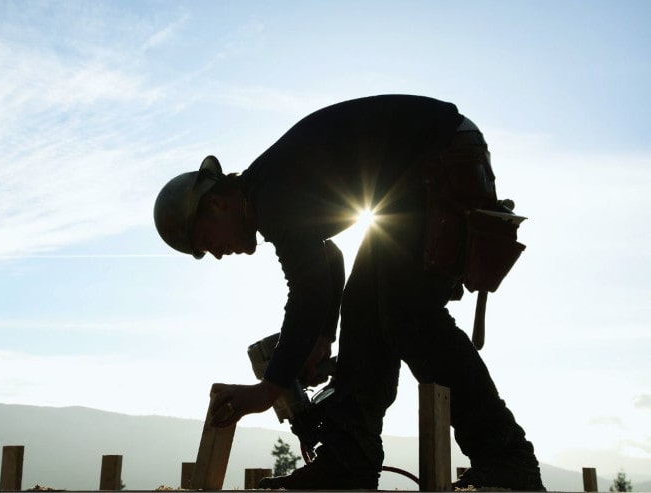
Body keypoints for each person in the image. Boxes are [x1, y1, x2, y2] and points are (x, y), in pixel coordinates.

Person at [153, 95, 545, 491]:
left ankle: (506, 458)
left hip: (439, 154)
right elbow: (329, 256)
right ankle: (348, 461)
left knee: (406, 309)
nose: (218, 254)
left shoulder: (272, 195)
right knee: (364, 310)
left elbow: (307, 290)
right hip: (411, 177)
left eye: (206, 241)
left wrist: (269, 388)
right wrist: (324, 336)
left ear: (217, 204)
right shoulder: (267, 190)